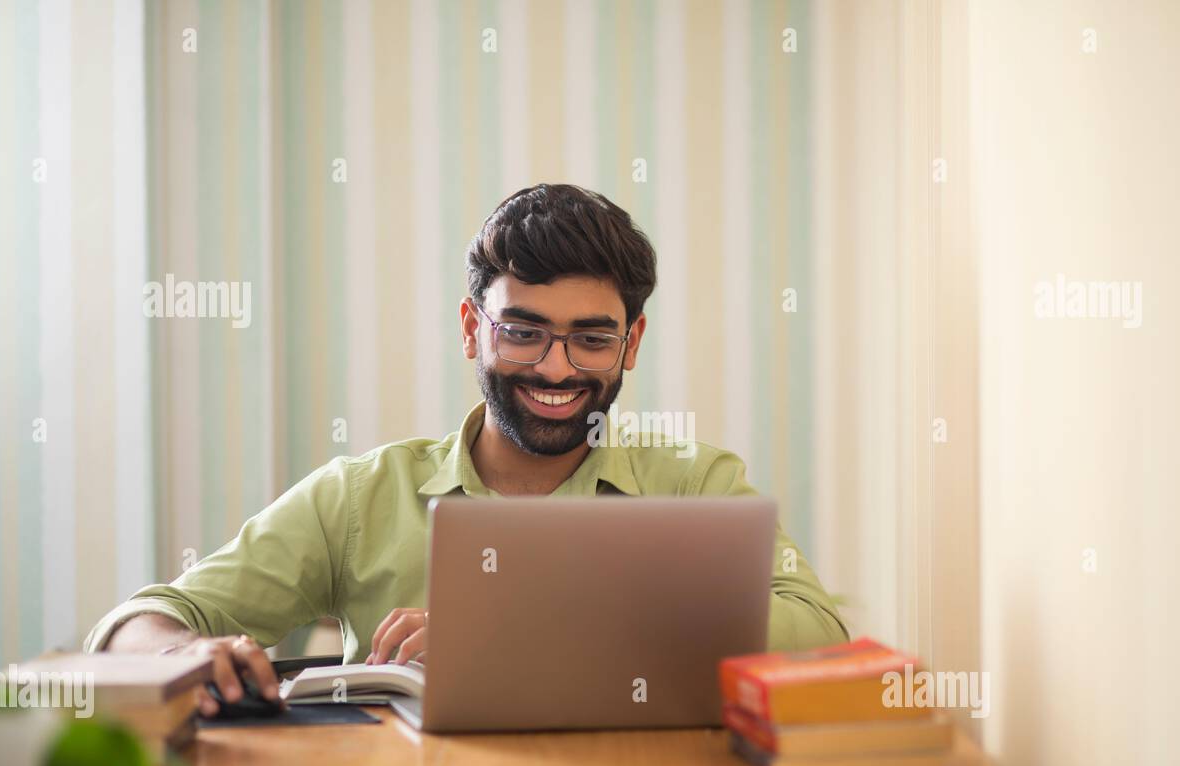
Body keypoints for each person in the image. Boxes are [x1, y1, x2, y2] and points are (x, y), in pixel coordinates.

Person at [85, 184, 849, 716]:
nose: (557, 368)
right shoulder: (362, 496)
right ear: (470, 328)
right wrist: (173, 657)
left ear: (632, 343)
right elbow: (141, 620)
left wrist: (528, 625)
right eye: (522, 331)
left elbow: (816, 635)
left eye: (592, 338)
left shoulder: (693, 483)